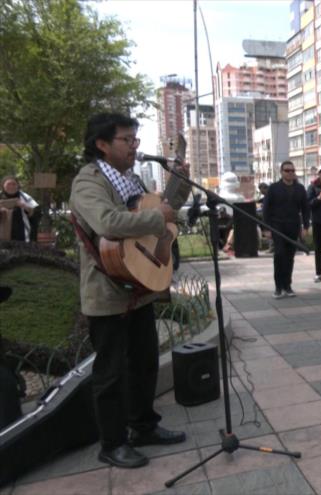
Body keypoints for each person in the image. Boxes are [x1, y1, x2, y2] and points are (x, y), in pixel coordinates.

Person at [69, 112, 188, 468]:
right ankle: (112, 442)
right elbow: (108, 222)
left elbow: (157, 212)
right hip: (107, 293)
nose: (135, 146)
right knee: (111, 373)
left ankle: (143, 426)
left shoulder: (130, 178)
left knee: (144, 362)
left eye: (136, 140)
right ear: (102, 144)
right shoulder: (88, 182)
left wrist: (177, 190)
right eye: (128, 140)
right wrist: (159, 217)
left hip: (136, 285)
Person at [264, 160, 310, 299]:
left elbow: (305, 209)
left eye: (292, 171)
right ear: (281, 172)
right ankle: (278, 287)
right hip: (277, 226)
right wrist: (266, 229)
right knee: (279, 255)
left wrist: (306, 226)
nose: (290, 173)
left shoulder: (300, 188)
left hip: (293, 226)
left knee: (290, 257)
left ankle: (287, 286)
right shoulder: (273, 188)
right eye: (287, 171)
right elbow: (266, 209)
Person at [0, 176, 39, 242]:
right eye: (8, 184)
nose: (11, 187)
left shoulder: (24, 196)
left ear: (18, 185)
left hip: (21, 235)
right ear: (3, 185)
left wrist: (24, 206)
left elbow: (35, 212)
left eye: (14, 184)